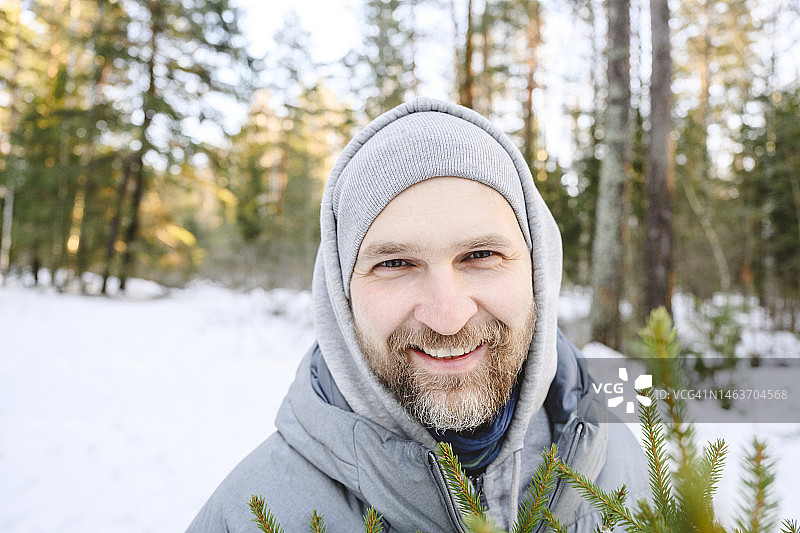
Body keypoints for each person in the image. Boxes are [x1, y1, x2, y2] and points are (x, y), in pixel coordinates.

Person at [188, 97, 647, 532]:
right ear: (342, 296)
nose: (447, 317)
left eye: (481, 255)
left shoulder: (627, 463)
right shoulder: (250, 516)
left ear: (537, 272)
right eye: (394, 264)